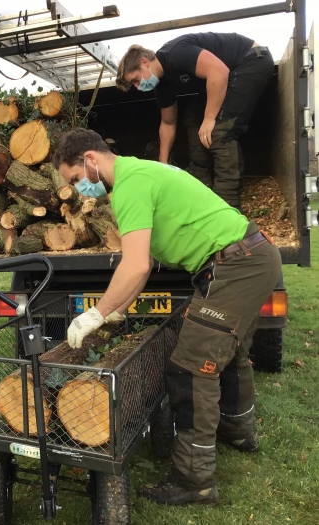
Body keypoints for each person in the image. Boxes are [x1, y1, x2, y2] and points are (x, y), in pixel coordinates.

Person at [53, 129, 281, 505]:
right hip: (249, 257)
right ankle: (236, 431)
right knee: (226, 351)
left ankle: (195, 481)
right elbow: (144, 266)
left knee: (191, 368)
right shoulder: (140, 173)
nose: (79, 189)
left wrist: (97, 313)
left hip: (237, 264)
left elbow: (137, 264)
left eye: (76, 179)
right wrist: (120, 310)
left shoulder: (131, 185)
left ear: (91, 160)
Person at [115, 33, 274, 210]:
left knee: (220, 130)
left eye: (136, 80)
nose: (138, 87)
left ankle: (227, 207)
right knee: (192, 117)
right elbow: (168, 123)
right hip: (228, 74)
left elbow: (219, 72)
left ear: (145, 62)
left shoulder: (175, 54)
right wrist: (163, 163)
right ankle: (202, 188)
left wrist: (209, 118)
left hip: (250, 60)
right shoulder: (162, 86)